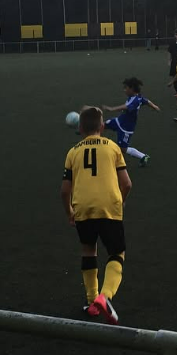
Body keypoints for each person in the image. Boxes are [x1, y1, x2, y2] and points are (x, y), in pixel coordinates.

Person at [61, 107, 132, 325]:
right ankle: (105, 295)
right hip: (109, 206)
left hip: (83, 207)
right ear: (102, 127)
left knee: (88, 250)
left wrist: (70, 213)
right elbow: (127, 183)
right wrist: (121, 201)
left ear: (80, 128)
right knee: (117, 253)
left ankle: (92, 301)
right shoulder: (112, 147)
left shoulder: (73, 151)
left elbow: (64, 190)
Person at [101, 77, 161, 168]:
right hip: (119, 121)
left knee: (123, 149)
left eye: (126, 88)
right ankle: (89, 137)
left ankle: (143, 156)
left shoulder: (135, 100)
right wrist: (154, 106)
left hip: (126, 128)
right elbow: (146, 101)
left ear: (132, 88)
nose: (124, 90)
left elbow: (126, 107)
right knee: (103, 125)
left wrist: (111, 108)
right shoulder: (138, 97)